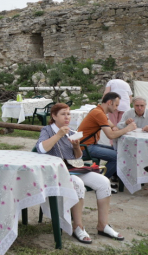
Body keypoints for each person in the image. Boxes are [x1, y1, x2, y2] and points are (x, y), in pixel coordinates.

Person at [36, 103, 123, 243]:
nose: (67, 117)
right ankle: (77, 226)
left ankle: (103, 225)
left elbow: (77, 158)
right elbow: (41, 149)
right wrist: (58, 135)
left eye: (68, 114)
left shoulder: (72, 132)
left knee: (104, 182)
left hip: (73, 169)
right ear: (54, 116)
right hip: (55, 172)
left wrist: (76, 147)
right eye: (63, 114)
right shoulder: (47, 130)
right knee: (78, 183)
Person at [77, 92, 137, 181]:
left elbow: (111, 125)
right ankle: (98, 181)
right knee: (118, 157)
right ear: (109, 102)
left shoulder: (98, 110)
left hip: (87, 145)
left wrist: (114, 127)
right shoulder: (99, 113)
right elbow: (111, 135)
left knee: (119, 151)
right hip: (84, 148)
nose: (117, 108)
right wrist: (128, 128)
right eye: (116, 105)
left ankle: (113, 176)